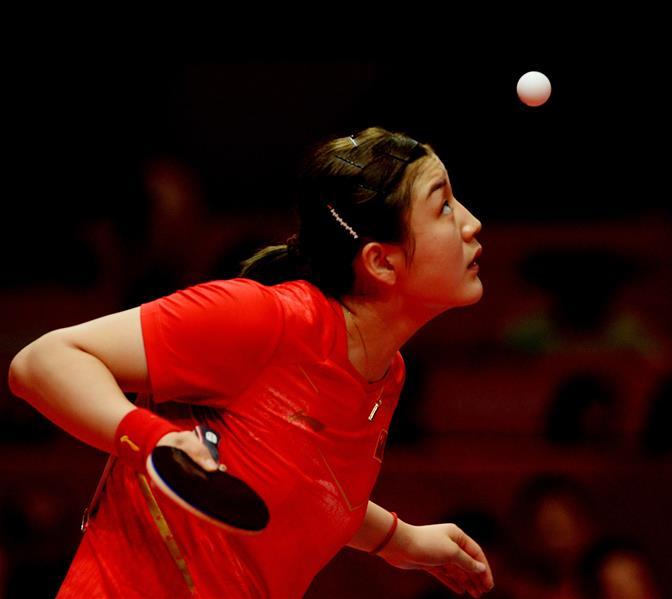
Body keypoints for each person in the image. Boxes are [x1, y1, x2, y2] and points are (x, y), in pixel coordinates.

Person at [7, 127, 494, 597]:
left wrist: (401, 540)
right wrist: (155, 442)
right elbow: (43, 360)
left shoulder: (386, 374)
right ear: (380, 262)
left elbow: (301, 487)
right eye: (444, 206)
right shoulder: (263, 319)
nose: (471, 223)